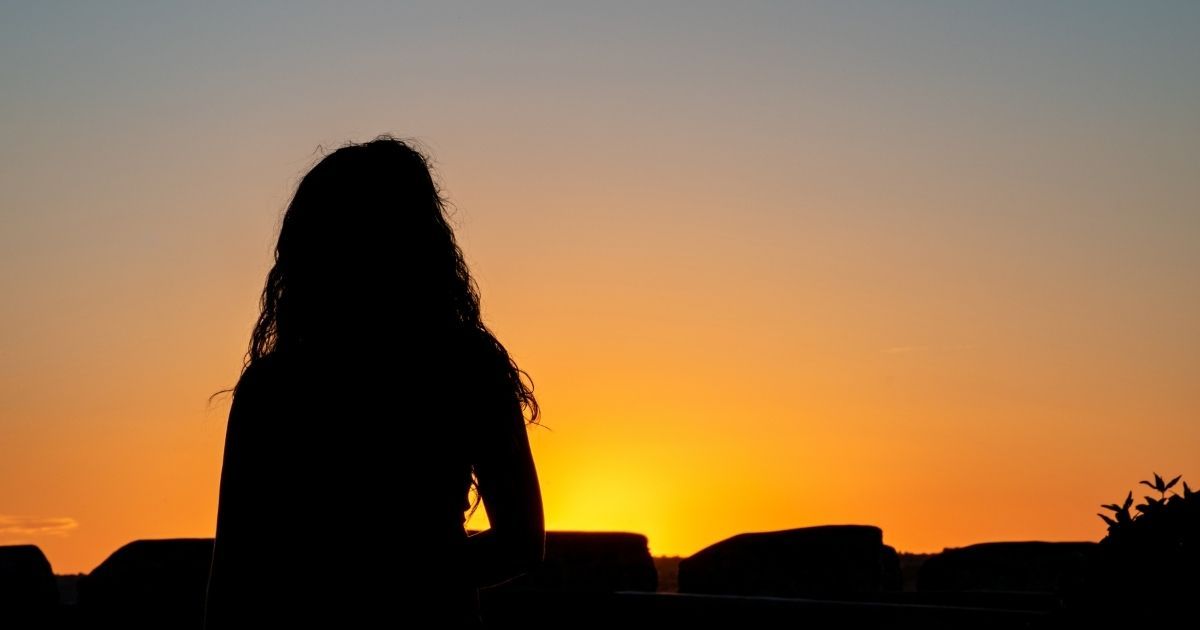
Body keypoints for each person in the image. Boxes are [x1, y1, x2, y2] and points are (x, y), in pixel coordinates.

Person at [202, 136, 545, 628]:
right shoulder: (467, 367)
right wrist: (413, 579)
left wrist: (342, 586)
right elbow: (520, 544)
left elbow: (234, 575)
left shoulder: (276, 385)